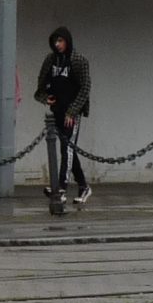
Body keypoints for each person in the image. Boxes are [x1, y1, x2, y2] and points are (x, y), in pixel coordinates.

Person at [37, 26, 93, 206]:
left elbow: (85, 88)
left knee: (67, 149)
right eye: (55, 41)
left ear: (67, 41)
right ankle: (84, 186)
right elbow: (40, 86)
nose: (57, 45)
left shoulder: (78, 60)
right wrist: (46, 98)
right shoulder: (50, 60)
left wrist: (73, 111)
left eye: (60, 41)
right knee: (67, 148)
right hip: (57, 112)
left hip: (72, 113)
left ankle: (61, 187)